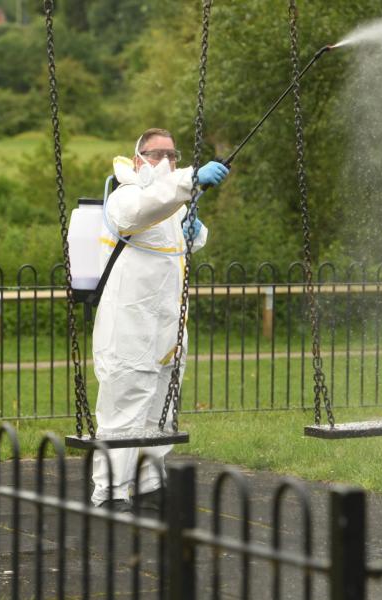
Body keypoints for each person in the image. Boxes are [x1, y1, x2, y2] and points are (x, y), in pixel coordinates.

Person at [91, 128, 229, 512]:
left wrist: (195, 230)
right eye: (156, 154)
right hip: (130, 322)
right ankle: (111, 492)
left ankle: (150, 483)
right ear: (138, 160)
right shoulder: (126, 196)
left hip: (167, 325)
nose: (166, 161)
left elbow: (184, 235)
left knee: (161, 406)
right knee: (125, 404)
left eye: (172, 154)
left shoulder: (173, 201)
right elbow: (144, 210)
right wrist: (189, 179)